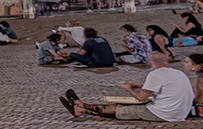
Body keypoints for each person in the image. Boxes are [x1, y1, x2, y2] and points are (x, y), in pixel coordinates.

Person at [64, 48, 195, 122]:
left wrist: (128, 90)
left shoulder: (156, 74)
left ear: (150, 62)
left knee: (118, 109)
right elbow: (162, 87)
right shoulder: (177, 73)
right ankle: (81, 105)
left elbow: (141, 98)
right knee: (118, 106)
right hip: (180, 112)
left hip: (165, 114)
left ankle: (81, 109)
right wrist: (141, 85)